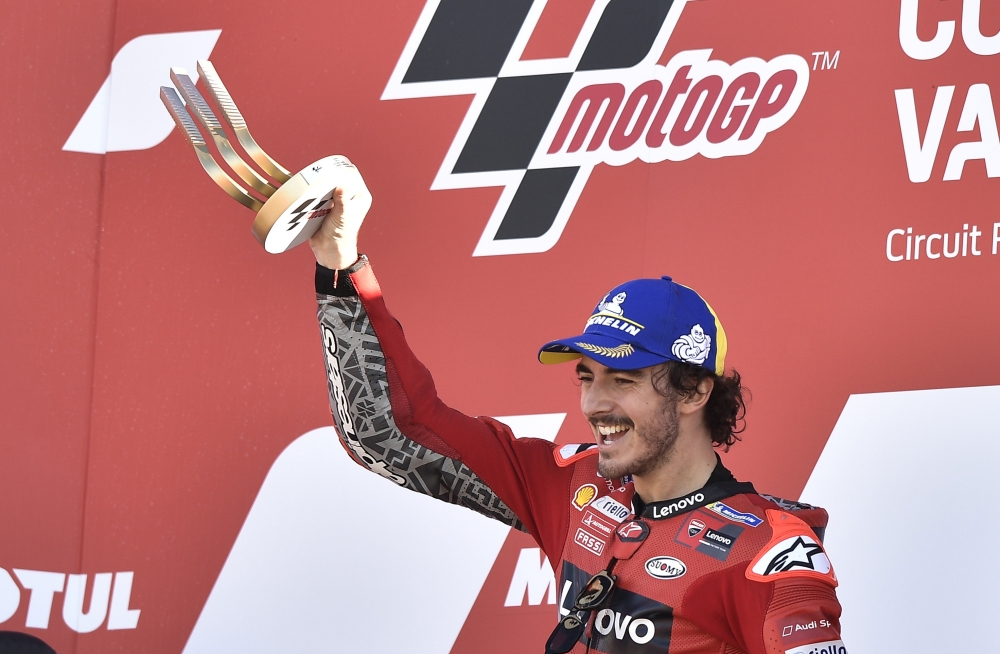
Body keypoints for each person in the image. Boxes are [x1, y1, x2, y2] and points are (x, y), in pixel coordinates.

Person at [310, 160, 846, 654]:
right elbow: (393, 432)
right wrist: (340, 264)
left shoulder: (770, 553)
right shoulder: (577, 486)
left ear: (694, 391)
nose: (594, 403)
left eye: (623, 379)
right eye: (587, 378)